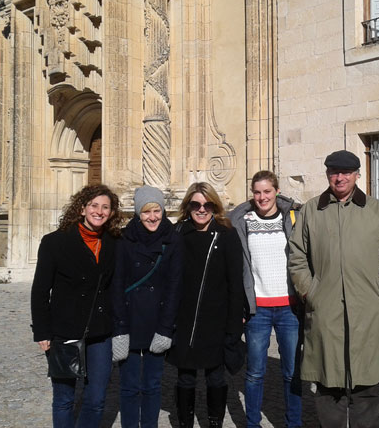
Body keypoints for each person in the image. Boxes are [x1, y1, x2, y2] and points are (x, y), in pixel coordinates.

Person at [288, 150, 379, 427]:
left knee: (366, 388)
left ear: (357, 175)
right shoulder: (311, 210)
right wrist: (310, 291)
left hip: (367, 312)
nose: (339, 178)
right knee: (329, 388)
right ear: (328, 174)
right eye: (334, 172)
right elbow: (297, 256)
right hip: (325, 311)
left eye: (346, 173)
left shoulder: (376, 211)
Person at [31, 184, 124, 428]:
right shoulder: (55, 242)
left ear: (111, 213)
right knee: (64, 398)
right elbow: (41, 290)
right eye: (94, 205)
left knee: (96, 398)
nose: (99, 211)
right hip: (65, 331)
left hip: (100, 332)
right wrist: (42, 331)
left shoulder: (114, 242)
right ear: (82, 208)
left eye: (106, 207)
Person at [166, 182, 244, 428]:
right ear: (188, 206)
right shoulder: (177, 233)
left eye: (207, 204)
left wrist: (234, 324)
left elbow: (235, 282)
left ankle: (214, 423)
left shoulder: (227, 234)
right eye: (196, 204)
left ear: (214, 206)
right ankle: (185, 423)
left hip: (216, 319)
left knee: (215, 377)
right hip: (185, 318)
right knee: (185, 378)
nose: (201, 209)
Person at [230, 170, 303, 428]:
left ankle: (293, 422)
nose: (262, 197)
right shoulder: (243, 220)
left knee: (292, 372)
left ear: (276, 191)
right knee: (255, 373)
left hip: (289, 308)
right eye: (257, 192)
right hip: (257, 308)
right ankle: (253, 423)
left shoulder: (292, 218)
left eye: (267, 191)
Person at [112, 186, 184, 428]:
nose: (152, 217)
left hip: (157, 321)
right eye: (146, 212)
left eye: (157, 211)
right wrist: (120, 329)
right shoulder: (123, 239)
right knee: (130, 386)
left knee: (153, 385)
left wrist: (165, 328)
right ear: (137, 213)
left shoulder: (172, 239)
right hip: (130, 321)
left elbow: (175, 287)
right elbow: (117, 285)